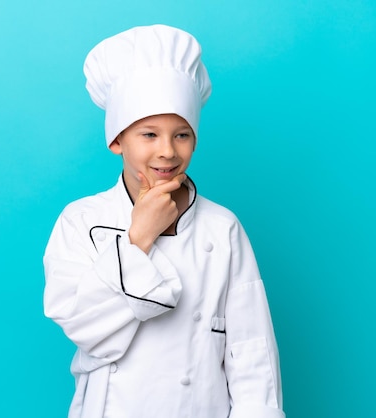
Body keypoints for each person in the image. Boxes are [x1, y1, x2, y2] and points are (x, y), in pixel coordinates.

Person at [43, 24, 285, 418]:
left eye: (182, 135)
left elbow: (251, 348)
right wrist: (139, 236)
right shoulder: (82, 221)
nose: (167, 152)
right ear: (117, 140)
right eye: (149, 134)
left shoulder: (221, 227)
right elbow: (83, 327)